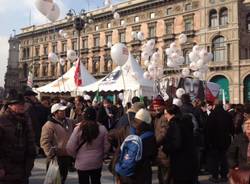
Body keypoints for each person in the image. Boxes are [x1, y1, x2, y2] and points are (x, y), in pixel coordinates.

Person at [66, 107, 110, 184]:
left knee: (83, 181)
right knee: (96, 181)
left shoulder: (78, 129)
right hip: (97, 161)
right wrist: (103, 154)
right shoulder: (102, 129)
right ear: (95, 116)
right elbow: (107, 145)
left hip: (81, 161)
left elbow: (70, 147)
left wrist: (74, 155)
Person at [0, 91, 36, 184]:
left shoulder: (25, 119)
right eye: (18, 104)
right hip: (6, 170)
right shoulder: (2, 121)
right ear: (9, 105)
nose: (22, 106)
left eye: (23, 103)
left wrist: (29, 164)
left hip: (23, 169)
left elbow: (30, 143)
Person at [118, 109, 157, 184]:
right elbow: (153, 154)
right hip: (143, 171)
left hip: (127, 169)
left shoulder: (128, 129)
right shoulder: (149, 135)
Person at [163, 104, 198, 184]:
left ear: (171, 114)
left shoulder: (175, 124)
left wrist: (166, 148)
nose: (165, 116)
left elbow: (176, 143)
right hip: (189, 159)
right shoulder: (185, 122)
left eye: (166, 114)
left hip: (180, 161)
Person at [40, 103, 74, 184]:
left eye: (64, 110)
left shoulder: (68, 121)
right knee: (53, 180)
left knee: (62, 178)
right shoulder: (49, 125)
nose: (64, 112)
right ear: (55, 113)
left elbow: (78, 123)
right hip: (55, 157)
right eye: (61, 111)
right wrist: (51, 154)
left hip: (66, 155)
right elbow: (44, 142)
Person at [205, 99, 234, 183]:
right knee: (224, 158)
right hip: (225, 140)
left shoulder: (212, 115)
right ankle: (224, 175)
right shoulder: (227, 115)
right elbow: (232, 129)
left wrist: (207, 141)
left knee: (215, 159)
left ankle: (215, 176)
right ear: (222, 105)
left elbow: (207, 129)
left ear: (215, 105)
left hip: (214, 141)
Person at [151, 95, 169, 184]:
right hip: (160, 151)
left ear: (163, 106)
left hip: (163, 151)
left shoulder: (164, 118)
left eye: (158, 106)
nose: (156, 108)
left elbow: (163, 134)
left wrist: (154, 143)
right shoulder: (158, 116)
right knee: (161, 175)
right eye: (155, 106)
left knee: (164, 177)